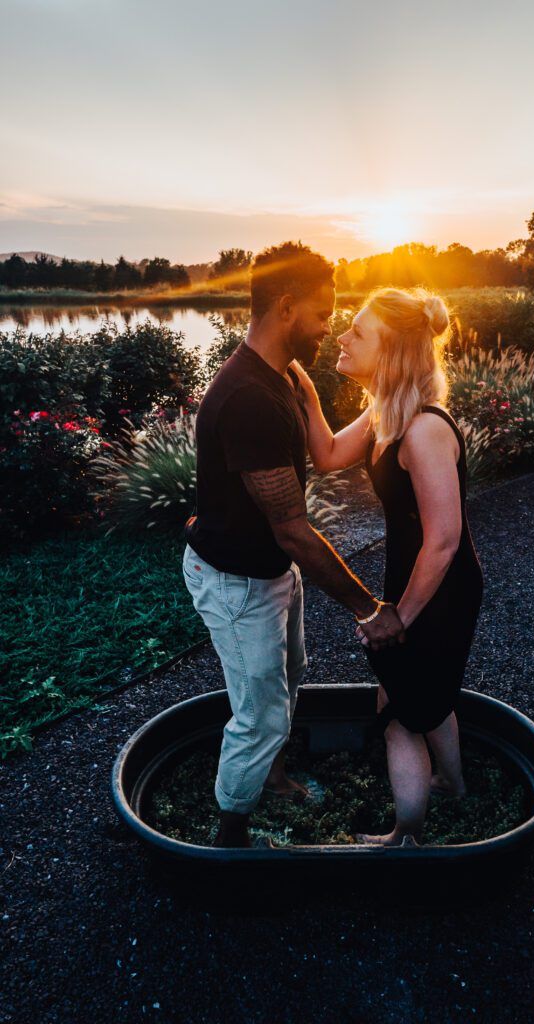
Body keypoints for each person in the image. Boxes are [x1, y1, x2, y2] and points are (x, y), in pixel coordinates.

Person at [182, 242, 405, 849]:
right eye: (323, 312)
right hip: (236, 582)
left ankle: (274, 779)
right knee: (260, 715)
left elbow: (328, 454)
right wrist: (368, 607)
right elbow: (291, 528)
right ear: (286, 307)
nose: (329, 325)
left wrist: (392, 394)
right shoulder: (249, 398)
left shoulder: (287, 372)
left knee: (290, 676)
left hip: (270, 570)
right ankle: (229, 840)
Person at [294, 286, 484, 846]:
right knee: (430, 693)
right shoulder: (384, 415)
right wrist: (305, 389)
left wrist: (398, 616)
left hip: (438, 589)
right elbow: (326, 454)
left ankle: (407, 834)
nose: (344, 338)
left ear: (393, 351)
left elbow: (444, 541)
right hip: (412, 584)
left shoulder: (424, 430)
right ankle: (454, 785)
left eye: (359, 332)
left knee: (400, 712)